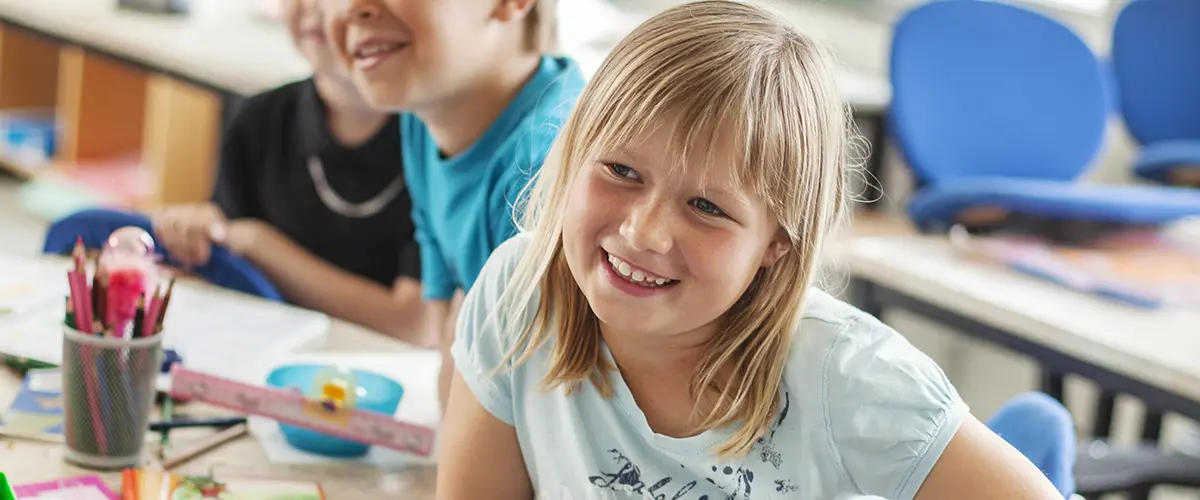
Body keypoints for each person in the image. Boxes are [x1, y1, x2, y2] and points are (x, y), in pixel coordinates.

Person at [436, 2, 1066, 499]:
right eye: (622, 171)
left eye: (707, 207)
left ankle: (1022, 444)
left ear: (778, 245)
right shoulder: (519, 291)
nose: (644, 233)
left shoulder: (850, 378)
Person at [324, 0, 583, 407]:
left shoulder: (545, 171)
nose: (354, 9)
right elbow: (443, 293)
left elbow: (531, 404)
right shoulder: (425, 115)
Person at [151, 0, 430, 346]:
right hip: (262, 355)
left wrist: (262, 245)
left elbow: (416, 324)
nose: (311, 7)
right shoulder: (258, 120)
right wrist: (195, 232)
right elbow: (222, 263)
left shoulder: (435, 135)